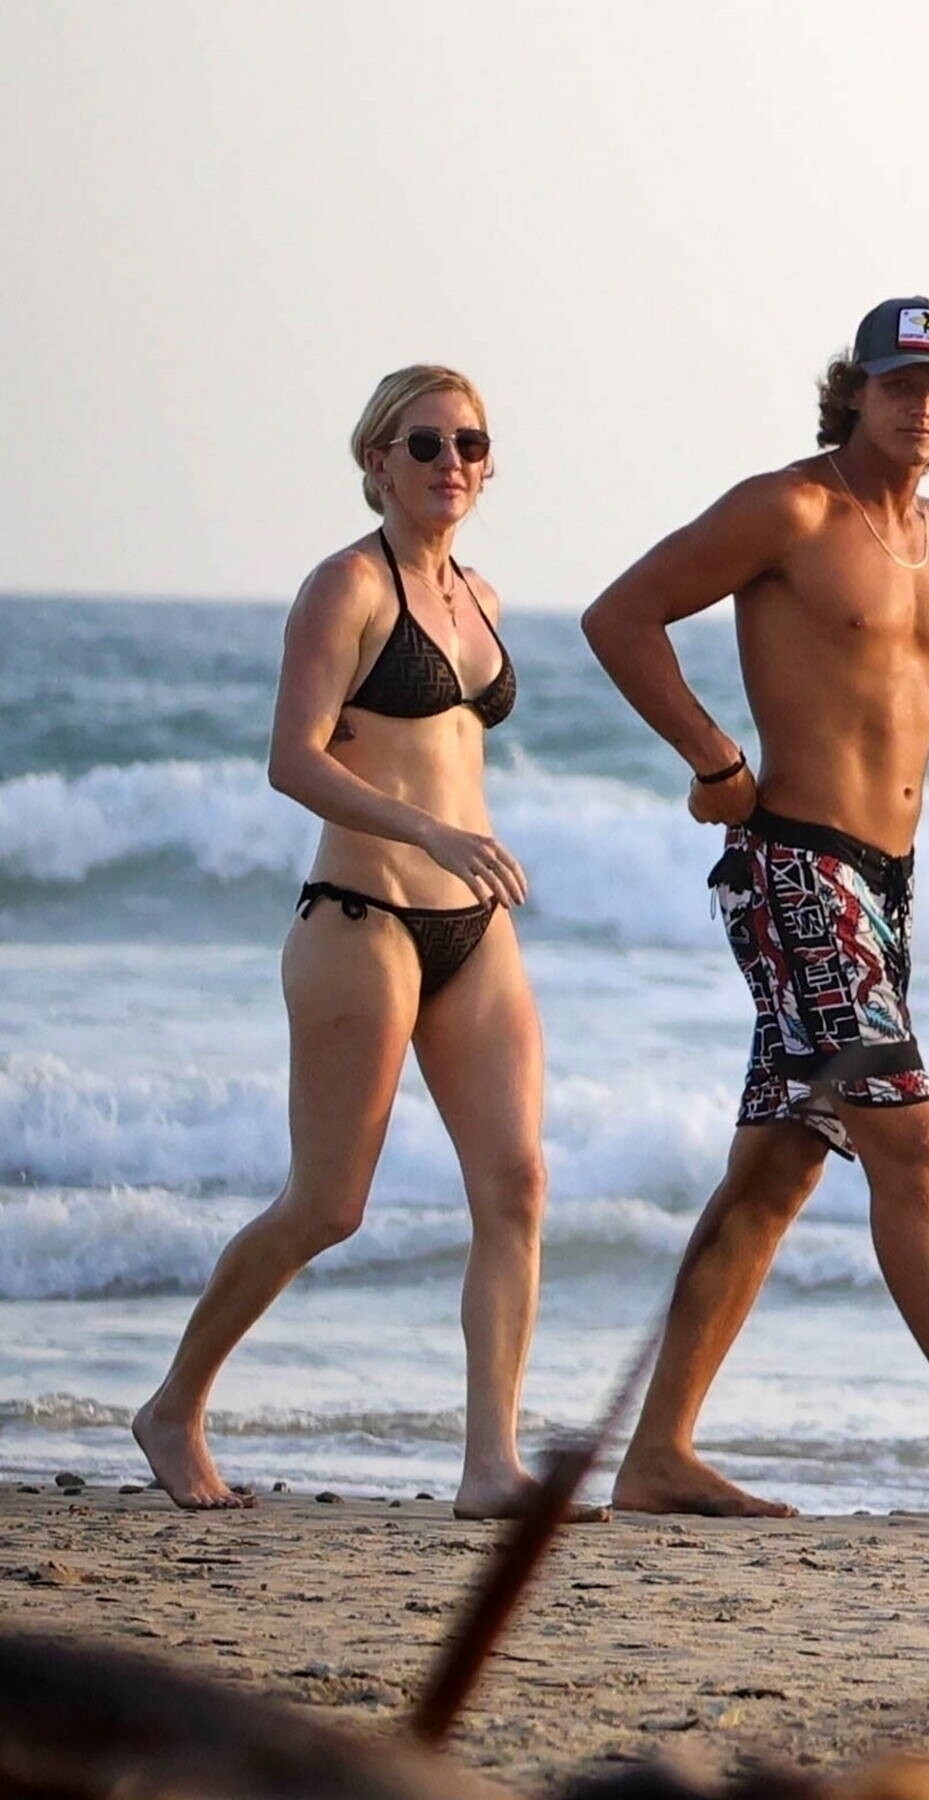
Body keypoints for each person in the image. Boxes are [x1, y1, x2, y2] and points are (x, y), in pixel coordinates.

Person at [582, 297, 929, 1520]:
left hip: (881, 889)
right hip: (796, 871)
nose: (923, 405)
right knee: (915, 1149)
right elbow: (620, 616)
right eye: (900, 382)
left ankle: (657, 1455)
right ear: (856, 388)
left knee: (778, 1171)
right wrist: (714, 758)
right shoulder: (789, 508)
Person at [135, 365, 601, 1520]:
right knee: (329, 1205)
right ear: (377, 459)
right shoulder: (344, 586)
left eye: (470, 444)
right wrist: (427, 829)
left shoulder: (483, 597)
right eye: (426, 443)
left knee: (518, 1185)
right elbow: (293, 760)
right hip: (361, 918)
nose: (452, 463)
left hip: (474, 930)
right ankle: (173, 1408)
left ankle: (490, 1465)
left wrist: (458, 842)